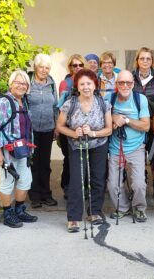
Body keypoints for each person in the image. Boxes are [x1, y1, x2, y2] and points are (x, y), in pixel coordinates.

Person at [56, 69, 112, 232]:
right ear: (77, 87)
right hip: (76, 146)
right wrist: (74, 133)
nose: (86, 87)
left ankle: (94, 212)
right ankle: (73, 217)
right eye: (82, 84)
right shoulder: (70, 104)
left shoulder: (104, 104)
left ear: (95, 85)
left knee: (98, 179)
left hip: (99, 145)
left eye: (89, 83)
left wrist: (93, 133)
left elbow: (108, 129)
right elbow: (59, 126)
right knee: (76, 181)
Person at [0, 70, 37, 228]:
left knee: (25, 179)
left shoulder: (24, 102)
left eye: (24, 84)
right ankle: (7, 213)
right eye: (18, 82)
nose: (21, 86)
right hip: (7, 150)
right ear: (10, 84)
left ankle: (19, 210)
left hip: (23, 149)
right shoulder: (4, 102)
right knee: (7, 181)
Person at [104, 70, 151, 222]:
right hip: (115, 147)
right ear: (116, 84)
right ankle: (122, 208)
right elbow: (101, 120)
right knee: (112, 185)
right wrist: (113, 117)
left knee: (138, 183)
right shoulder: (108, 98)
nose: (125, 85)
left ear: (133, 84)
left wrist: (127, 120)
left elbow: (146, 126)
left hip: (136, 147)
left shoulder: (140, 99)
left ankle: (139, 208)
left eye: (128, 82)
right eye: (121, 82)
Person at [27, 53, 59, 208]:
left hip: (47, 129)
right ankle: (34, 196)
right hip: (30, 130)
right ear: (35, 67)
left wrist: (56, 127)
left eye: (47, 67)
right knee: (33, 163)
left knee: (45, 163)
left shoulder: (52, 83)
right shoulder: (28, 82)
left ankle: (46, 194)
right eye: (41, 67)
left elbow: (55, 107)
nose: (44, 70)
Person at [132, 47, 154, 201]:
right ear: (137, 61)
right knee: (136, 154)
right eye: (142, 58)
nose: (145, 61)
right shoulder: (130, 77)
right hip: (135, 123)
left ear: (152, 61)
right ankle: (138, 184)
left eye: (148, 59)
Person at [57, 54, 87, 198]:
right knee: (69, 158)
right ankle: (67, 186)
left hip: (86, 128)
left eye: (81, 65)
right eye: (75, 65)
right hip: (68, 127)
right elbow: (61, 107)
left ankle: (83, 187)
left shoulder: (89, 81)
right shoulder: (65, 83)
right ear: (70, 67)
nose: (78, 68)